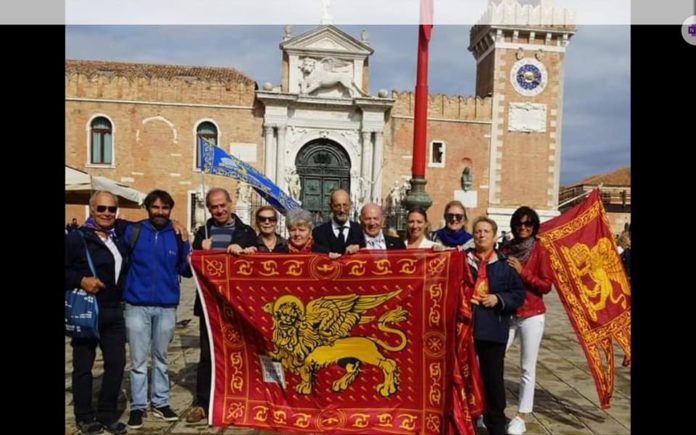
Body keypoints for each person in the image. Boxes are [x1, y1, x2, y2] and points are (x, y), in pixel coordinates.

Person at [122, 190, 192, 429]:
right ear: (147, 208)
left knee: (161, 358)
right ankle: (138, 406)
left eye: (165, 208)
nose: (160, 212)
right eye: (156, 207)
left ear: (170, 210)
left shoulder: (177, 235)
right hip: (136, 305)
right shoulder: (133, 231)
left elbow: (186, 268)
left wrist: (196, 253)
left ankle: (160, 402)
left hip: (166, 306)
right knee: (139, 360)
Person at [187, 187, 256, 423]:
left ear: (231, 204)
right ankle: (204, 402)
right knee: (208, 355)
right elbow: (188, 271)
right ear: (209, 209)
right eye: (214, 207)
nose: (219, 210)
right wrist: (199, 252)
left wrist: (247, 252)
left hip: (237, 306)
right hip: (209, 306)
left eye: (222, 205)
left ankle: (238, 398)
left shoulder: (246, 232)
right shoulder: (202, 233)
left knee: (241, 353)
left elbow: (254, 268)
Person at [65, 191, 128, 435]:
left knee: (116, 363)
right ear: (92, 209)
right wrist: (81, 279)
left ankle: (106, 413)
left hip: (113, 311)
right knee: (83, 365)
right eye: (101, 208)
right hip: (87, 310)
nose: (107, 213)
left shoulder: (118, 237)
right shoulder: (77, 238)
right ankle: (83, 415)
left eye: (112, 209)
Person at [465, 216, 524, 435]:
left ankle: (496, 424)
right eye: (478, 231)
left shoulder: (505, 264)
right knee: (467, 378)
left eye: (486, 232)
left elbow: (518, 295)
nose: (481, 235)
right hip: (466, 330)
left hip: (493, 329)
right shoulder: (462, 260)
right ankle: (467, 420)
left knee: (493, 380)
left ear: (495, 236)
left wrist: (498, 299)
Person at [499, 207, 554, 435]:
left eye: (528, 223)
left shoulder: (540, 251)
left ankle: (521, 415)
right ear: (514, 225)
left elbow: (546, 285)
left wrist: (522, 272)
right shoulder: (505, 249)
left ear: (534, 226)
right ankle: (490, 408)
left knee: (526, 367)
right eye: (520, 223)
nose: (524, 227)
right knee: (493, 361)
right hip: (508, 313)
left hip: (532, 314)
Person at [312, 188, 364, 254]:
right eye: (337, 206)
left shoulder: (360, 230)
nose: (342, 210)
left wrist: (359, 248)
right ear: (330, 207)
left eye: (345, 205)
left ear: (350, 205)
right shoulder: (318, 232)